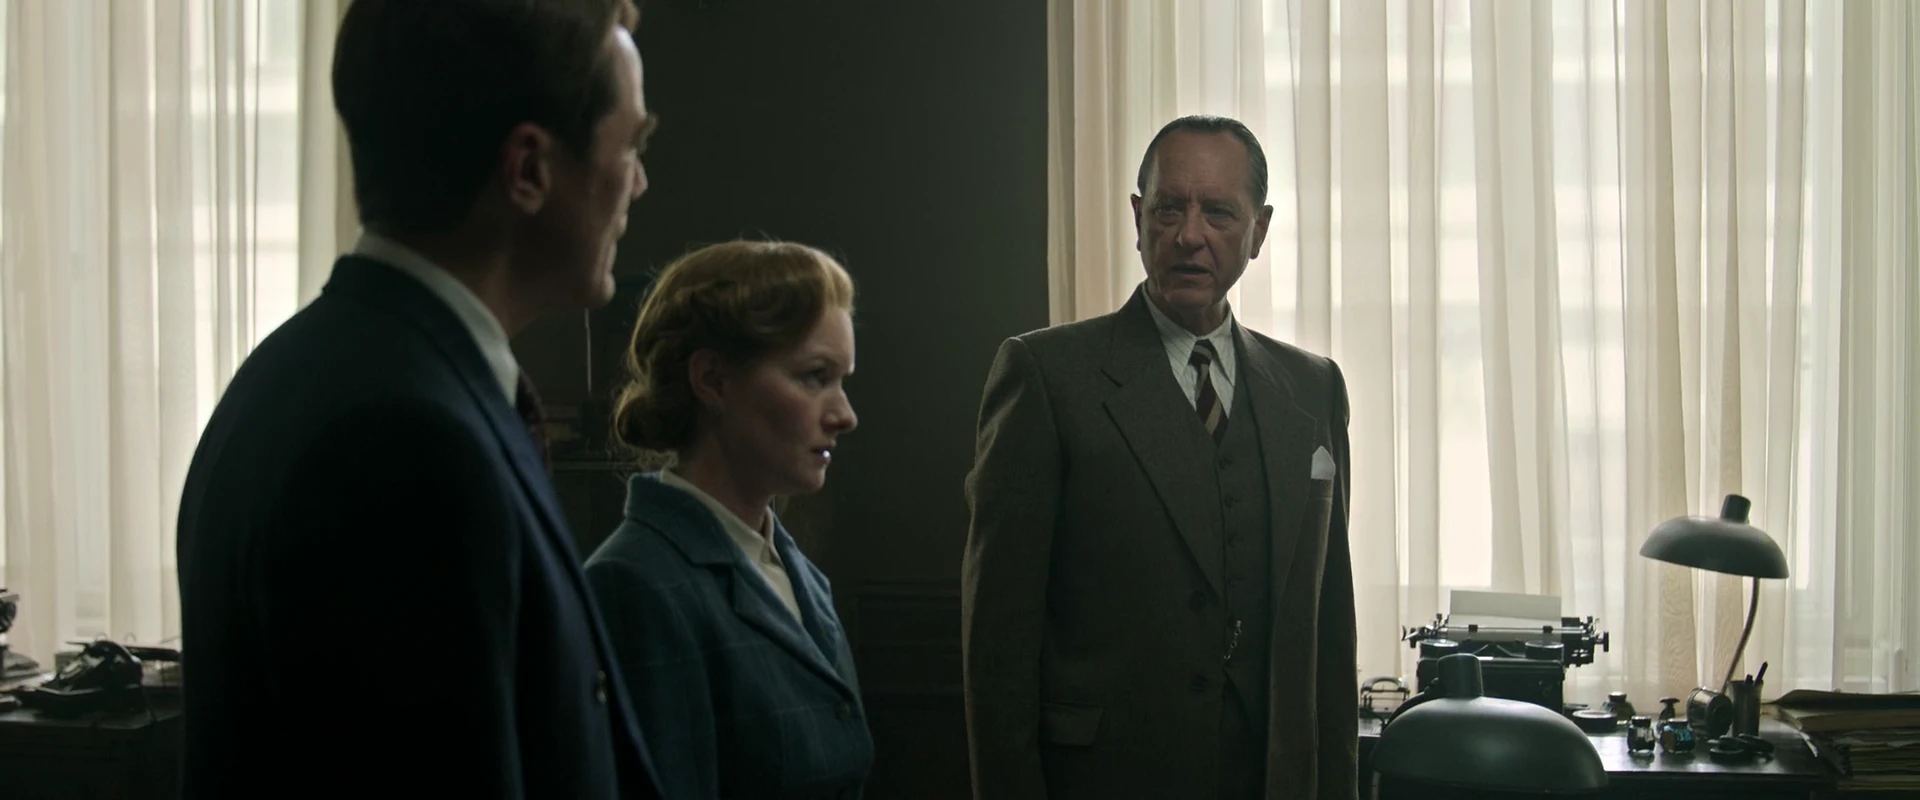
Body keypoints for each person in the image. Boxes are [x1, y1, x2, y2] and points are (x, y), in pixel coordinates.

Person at [173, 1, 664, 797]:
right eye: (632, 143)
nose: (640, 181)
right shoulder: (405, 442)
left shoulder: (300, 369)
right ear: (529, 169)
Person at [961, 114, 1359, 799]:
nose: (1189, 235)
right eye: (1170, 209)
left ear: (1259, 231)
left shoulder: (1312, 387)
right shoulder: (1047, 376)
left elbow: (1330, 627)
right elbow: (998, 640)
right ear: (1138, 218)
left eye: (1218, 212)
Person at [585, 240, 873, 799]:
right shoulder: (636, 583)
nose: (845, 415)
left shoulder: (796, 573)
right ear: (713, 380)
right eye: (814, 377)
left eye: (843, 380)